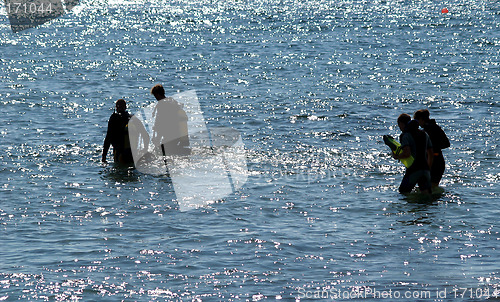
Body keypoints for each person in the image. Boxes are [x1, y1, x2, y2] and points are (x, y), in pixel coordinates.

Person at [393, 113, 434, 195]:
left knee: (403, 193)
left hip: (413, 170)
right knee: (426, 196)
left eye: (399, 125)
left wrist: (397, 156)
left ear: (401, 123)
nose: (399, 127)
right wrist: (427, 168)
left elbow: (407, 153)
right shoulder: (424, 134)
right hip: (425, 169)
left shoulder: (405, 135)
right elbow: (430, 153)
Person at [414, 109, 450, 188]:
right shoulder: (436, 127)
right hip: (440, 161)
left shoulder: (426, 130)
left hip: (433, 163)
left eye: (416, 120)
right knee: (432, 188)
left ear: (421, 119)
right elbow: (447, 144)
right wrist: (435, 147)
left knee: (426, 189)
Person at [150, 84, 190, 155]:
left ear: (158, 94)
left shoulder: (162, 105)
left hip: (170, 136)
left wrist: (157, 139)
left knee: (162, 152)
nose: (155, 98)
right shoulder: (172, 102)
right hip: (180, 135)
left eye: (155, 96)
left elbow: (161, 123)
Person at [102, 99, 133, 164]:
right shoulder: (132, 118)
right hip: (131, 154)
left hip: (119, 152)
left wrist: (104, 156)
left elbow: (108, 137)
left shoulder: (114, 118)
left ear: (116, 108)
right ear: (125, 107)